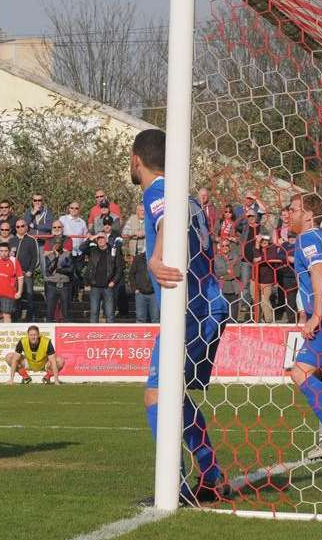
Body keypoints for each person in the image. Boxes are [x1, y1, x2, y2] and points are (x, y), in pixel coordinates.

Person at [131, 128, 229, 504]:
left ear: (136, 160)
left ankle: (174, 487)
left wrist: (155, 259)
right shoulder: (187, 196)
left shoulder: (160, 193)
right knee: (175, 395)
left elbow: (165, 221)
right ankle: (209, 474)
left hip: (189, 310)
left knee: (157, 394)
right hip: (211, 305)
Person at [287, 193, 322, 460]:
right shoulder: (320, 240)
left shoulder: (308, 238)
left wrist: (316, 316)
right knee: (316, 375)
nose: (289, 214)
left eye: (294, 209)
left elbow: (319, 273)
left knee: (301, 372)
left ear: (309, 215)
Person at [82, 233, 123, 324]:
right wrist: (93, 237)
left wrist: (114, 281)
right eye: (98, 239)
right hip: (95, 286)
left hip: (108, 287)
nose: (100, 240)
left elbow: (119, 268)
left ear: (107, 240)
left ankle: (110, 335)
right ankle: (93, 335)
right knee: (94, 313)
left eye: (102, 238)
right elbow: (82, 248)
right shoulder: (93, 250)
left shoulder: (113, 250)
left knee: (109, 314)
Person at [0, 242, 23, 323]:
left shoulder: (14, 261)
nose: (3, 253)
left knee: (7, 316)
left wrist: (19, 292)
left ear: (9, 251)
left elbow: (20, 277)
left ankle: (7, 335)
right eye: (1, 251)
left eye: (6, 251)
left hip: (8, 293)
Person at [12, 219, 39, 322]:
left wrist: (30, 271)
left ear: (27, 227)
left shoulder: (32, 240)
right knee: (15, 297)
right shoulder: (12, 240)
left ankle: (30, 318)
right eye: (18, 227)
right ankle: (16, 318)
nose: (20, 228)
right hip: (14, 275)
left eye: (22, 226)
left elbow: (35, 257)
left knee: (29, 296)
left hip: (26, 273)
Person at [254, 233, 284, 323]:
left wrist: (261, 258)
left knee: (265, 300)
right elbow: (255, 258)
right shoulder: (256, 247)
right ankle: (258, 319)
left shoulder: (272, 248)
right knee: (256, 301)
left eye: (266, 240)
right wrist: (257, 244)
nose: (264, 242)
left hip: (267, 279)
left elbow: (272, 257)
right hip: (255, 279)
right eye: (262, 240)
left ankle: (269, 320)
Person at [43, 234, 73, 322]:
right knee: (49, 312)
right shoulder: (48, 256)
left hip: (64, 285)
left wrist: (58, 270)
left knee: (66, 313)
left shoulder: (67, 254)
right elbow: (49, 271)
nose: (56, 244)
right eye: (55, 243)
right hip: (52, 285)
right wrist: (56, 257)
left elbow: (70, 269)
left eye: (59, 243)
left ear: (62, 244)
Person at [213, 240, 242, 323]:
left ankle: (232, 324)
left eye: (227, 246)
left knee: (234, 308)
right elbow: (216, 273)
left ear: (229, 247)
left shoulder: (235, 256)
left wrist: (224, 275)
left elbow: (236, 272)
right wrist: (227, 271)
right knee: (222, 307)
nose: (225, 247)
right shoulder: (216, 258)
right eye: (223, 246)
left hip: (234, 286)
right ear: (219, 248)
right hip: (222, 286)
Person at [129, 250, 158, 323]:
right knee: (140, 318)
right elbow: (131, 274)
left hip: (154, 293)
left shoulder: (159, 258)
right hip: (140, 293)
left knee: (155, 318)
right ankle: (141, 334)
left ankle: (157, 335)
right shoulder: (138, 258)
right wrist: (134, 288)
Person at [277, 232, 298, 323]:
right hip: (287, 276)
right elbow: (279, 255)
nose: (291, 239)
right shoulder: (285, 245)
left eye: (293, 237)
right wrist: (288, 258)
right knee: (290, 299)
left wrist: (295, 259)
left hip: (300, 275)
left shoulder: (300, 244)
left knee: (300, 298)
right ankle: (292, 320)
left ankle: (302, 318)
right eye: (290, 237)